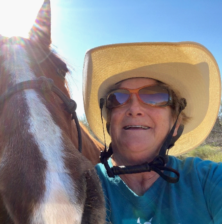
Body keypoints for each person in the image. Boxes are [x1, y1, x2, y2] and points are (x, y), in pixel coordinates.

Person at [82, 42, 222, 223]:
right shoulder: (82, 189)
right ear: (109, 122)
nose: (134, 108)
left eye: (155, 96)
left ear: (176, 122)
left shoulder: (207, 181)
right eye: (118, 98)